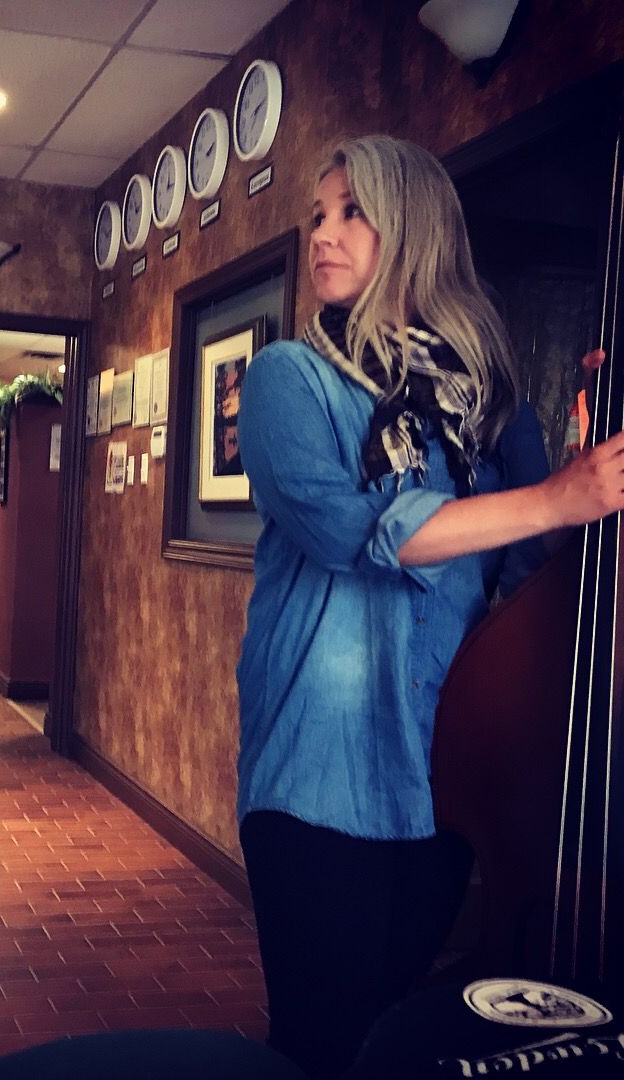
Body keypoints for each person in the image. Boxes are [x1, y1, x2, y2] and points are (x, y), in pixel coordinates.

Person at [235, 134, 620, 1079]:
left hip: (445, 777)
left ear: (413, 228)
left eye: (351, 212)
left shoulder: (490, 401)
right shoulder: (288, 379)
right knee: (319, 1044)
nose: (323, 234)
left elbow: (532, 563)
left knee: (392, 1037)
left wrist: (588, 448)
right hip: (322, 777)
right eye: (319, 215)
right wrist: (553, 499)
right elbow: (350, 531)